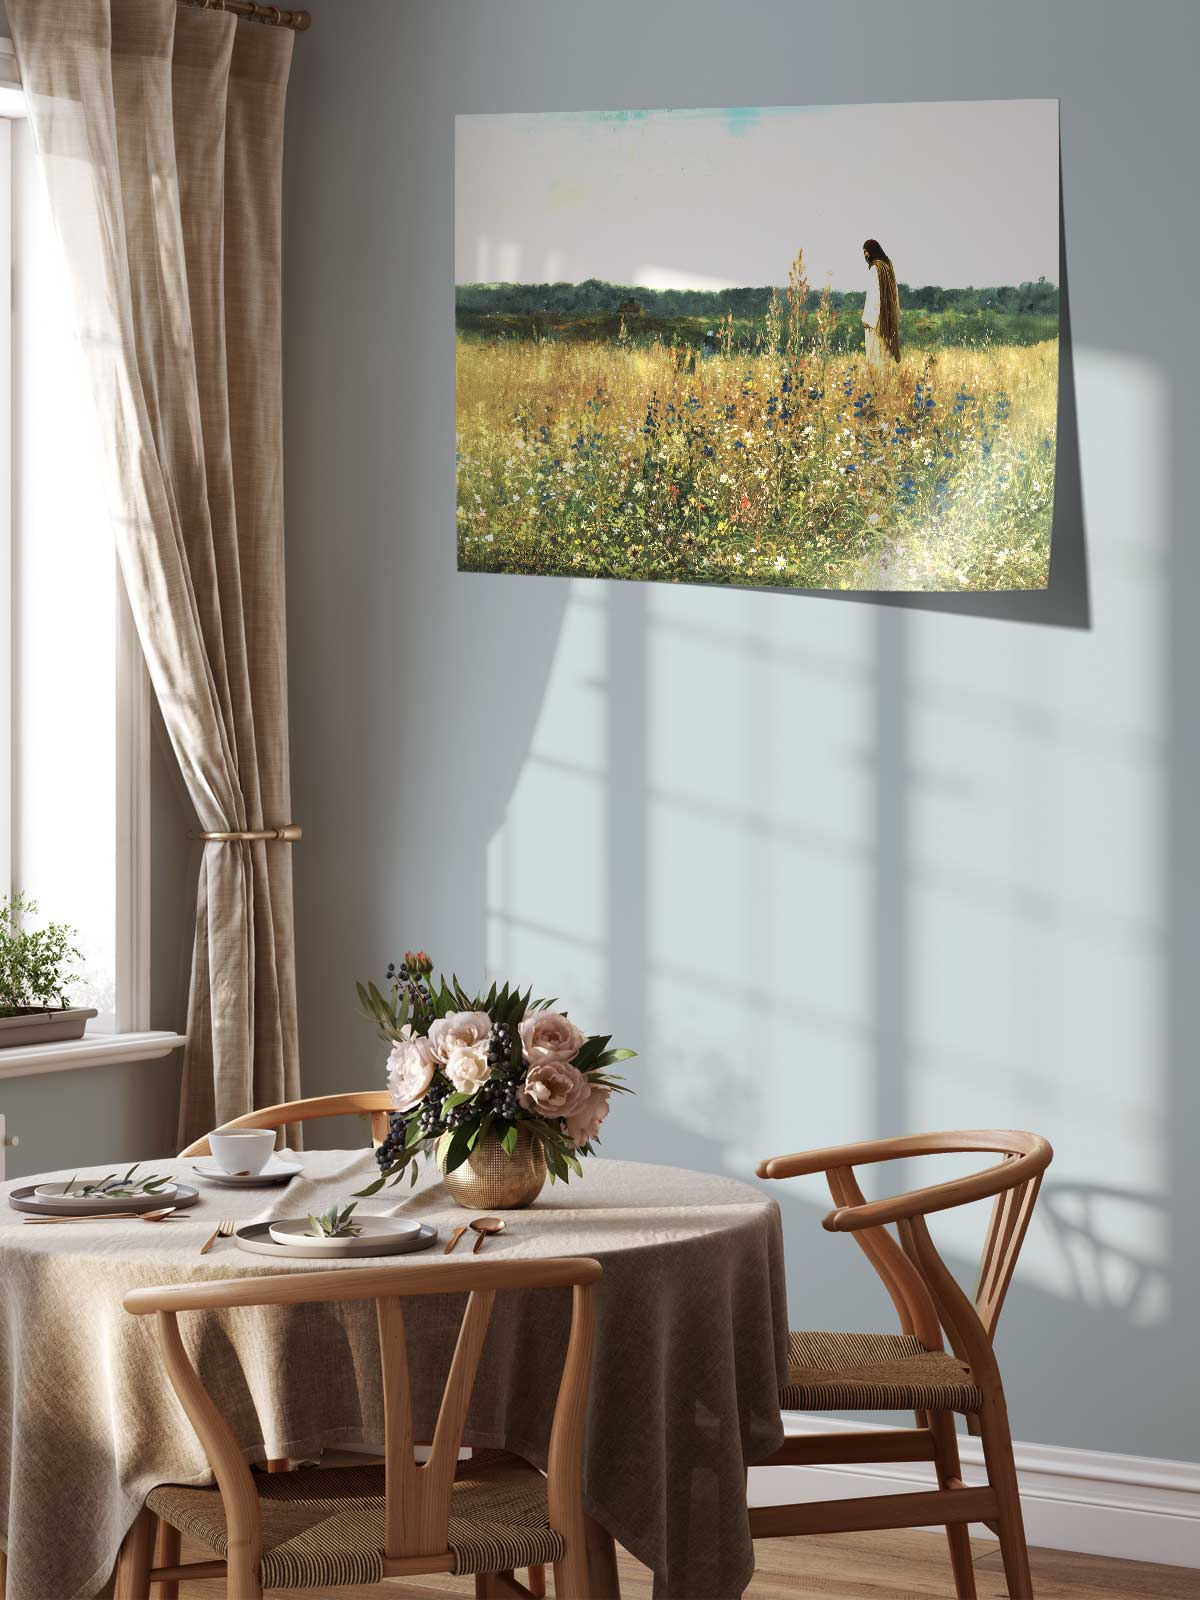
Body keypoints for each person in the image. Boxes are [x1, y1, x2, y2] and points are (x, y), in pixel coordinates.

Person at [862, 238, 901, 365]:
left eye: (866, 252)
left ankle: (877, 383)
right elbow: (895, 294)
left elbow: (873, 296)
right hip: (887, 318)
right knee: (884, 354)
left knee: (875, 357)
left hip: (876, 321)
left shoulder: (875, 268)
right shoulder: (888, 267)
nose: (865, 255)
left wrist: (867, 319)